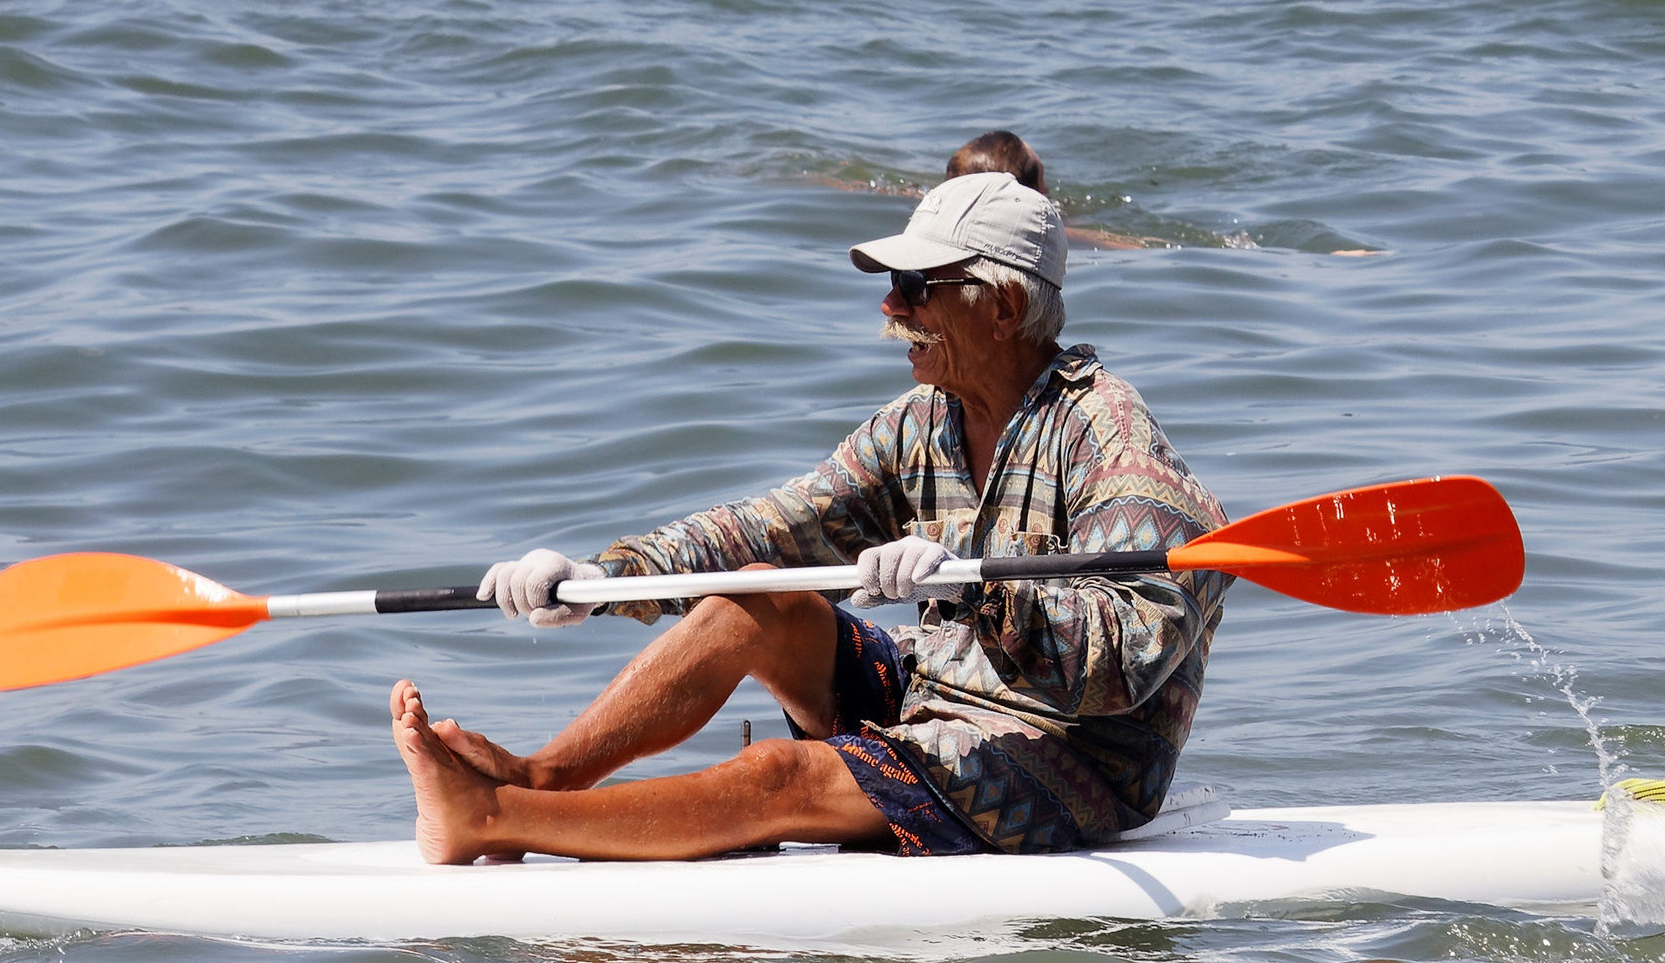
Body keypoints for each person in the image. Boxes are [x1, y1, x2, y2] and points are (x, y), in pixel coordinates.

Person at [391, 170, 1230, 865]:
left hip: (1072, 762)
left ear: (1004, 308)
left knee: (777, 777)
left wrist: (981, 590)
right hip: (942, 695)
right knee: (762, 594)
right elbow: (771, 530)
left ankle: (492, 821)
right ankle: (541, 781)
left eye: (915, 288)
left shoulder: (1113, 440)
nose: (889, 309)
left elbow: (1128, 658)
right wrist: (600, 578)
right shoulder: (920, 422)